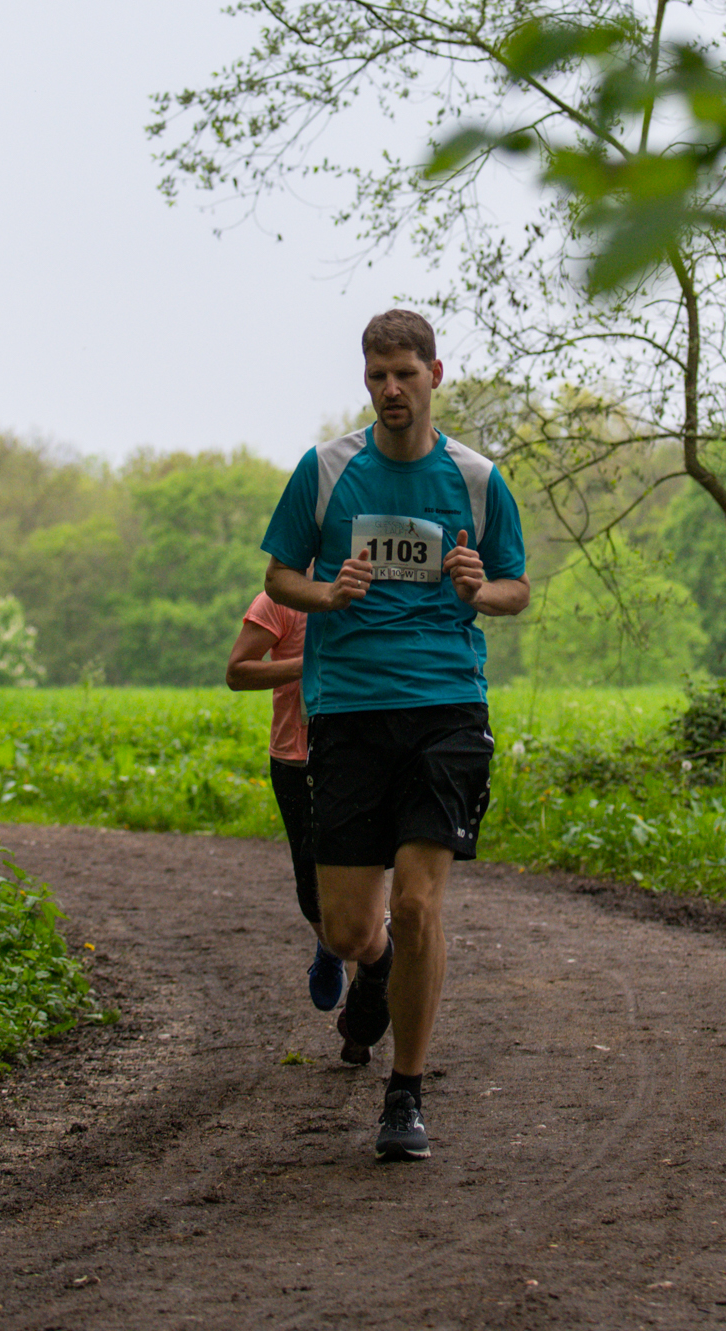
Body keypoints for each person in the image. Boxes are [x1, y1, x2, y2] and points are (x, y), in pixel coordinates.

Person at [258, 309, 529, 1162]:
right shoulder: (327, 471)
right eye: (377, 376)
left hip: (447, 707)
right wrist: (328, 595)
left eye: (405, 373)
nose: (390, 389)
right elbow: (279, 574)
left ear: (434, 374)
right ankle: (372, 966)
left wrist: (479, 590)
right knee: (346, 928)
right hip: (349, 710)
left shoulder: (477, 479)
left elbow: (518, 587)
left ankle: (405, 1090)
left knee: (416, 904)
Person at [224, 590, 351, 1012]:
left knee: (366, 865)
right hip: (294, 758)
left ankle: (368, 991)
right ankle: (330, 946)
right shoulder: (278, 600)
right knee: (310, 874)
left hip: (359, 749)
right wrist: (308, 664)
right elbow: (237, 672)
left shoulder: (373, 590)